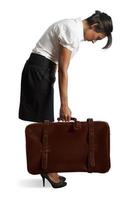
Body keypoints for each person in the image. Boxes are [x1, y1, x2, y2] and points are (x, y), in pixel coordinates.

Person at [18, 10, 113, 188]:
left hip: (43, 69)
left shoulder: (74, 27)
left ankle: (46, 165)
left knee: (45, 121)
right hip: (40, 69)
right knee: (44, 122)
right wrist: (65, 105)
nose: (93, 41)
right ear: (94, 26)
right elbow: (63, 70)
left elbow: (59, 68)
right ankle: (47, 168)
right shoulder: (72, 31)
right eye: (97, 37)